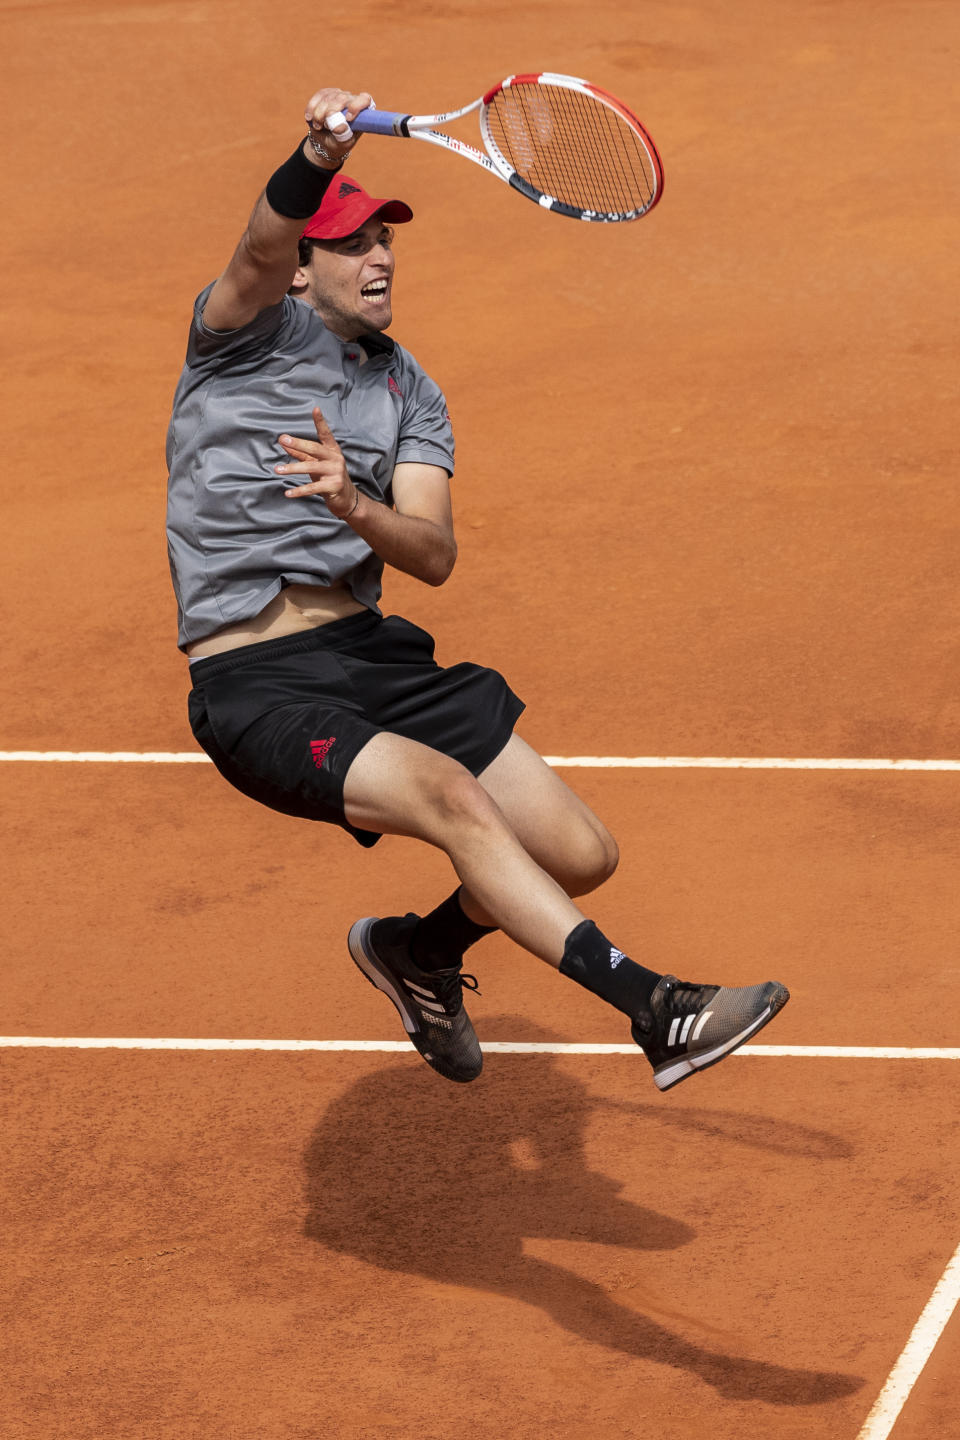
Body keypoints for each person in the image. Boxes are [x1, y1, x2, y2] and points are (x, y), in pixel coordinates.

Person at [166, 85, 789, 1090]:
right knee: (456, 800)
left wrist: (354, 510)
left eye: (384, 239)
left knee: (578, 852)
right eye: (350, 243)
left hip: (368, 656)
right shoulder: (241, 340)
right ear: (301, 273)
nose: (378, 257)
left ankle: (417, 951)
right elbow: (255, 243)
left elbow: (434, 552)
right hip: (256, 683)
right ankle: (657, 1009)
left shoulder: (408, 388)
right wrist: (315, 154)